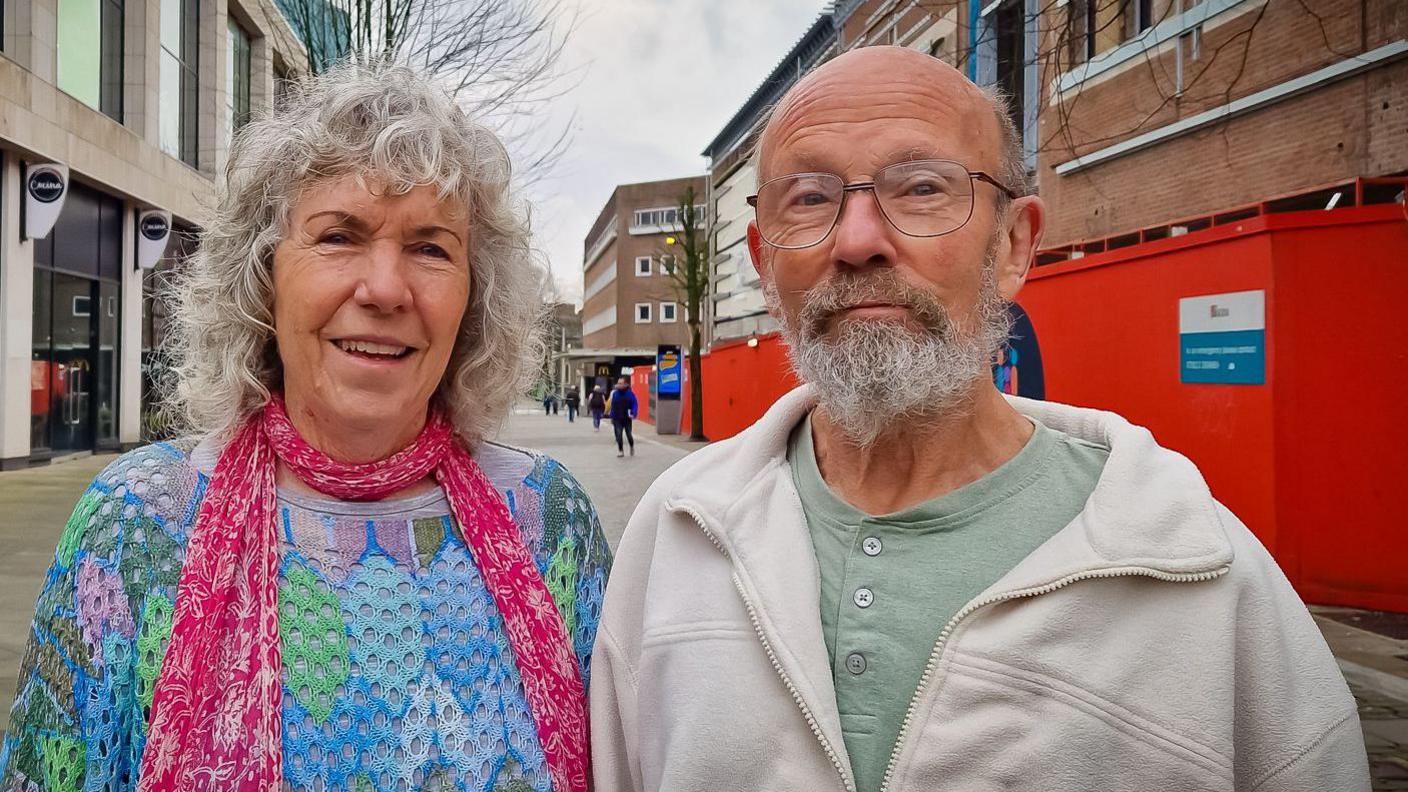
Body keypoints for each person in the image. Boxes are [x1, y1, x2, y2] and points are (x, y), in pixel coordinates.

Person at [590, 47, 1369, 792]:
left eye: (922, 187)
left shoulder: (1203, 577)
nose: (858, 240)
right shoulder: (673, 534)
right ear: (764, 263)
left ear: (1013, 245)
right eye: (811, 199)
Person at [0, 61, 610, 792]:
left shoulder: (552, 521)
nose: (385, 288)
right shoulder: (134, 524)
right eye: (339, 236)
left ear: (475, 298)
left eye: (429, 248)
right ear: (263, 278)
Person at [605, 377, 637, 458]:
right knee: (619, 434)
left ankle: (631, 446)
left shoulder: (630, 394)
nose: (619, 385)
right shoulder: (615, 393)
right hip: (617, 417)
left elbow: (634, 404)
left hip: (627, 418)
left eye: (621, 383)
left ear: (625, 384)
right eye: (618, 383)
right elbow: (613, 405)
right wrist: (611, 416)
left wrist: (633, 413)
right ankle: (620, 450)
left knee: (629, 434)